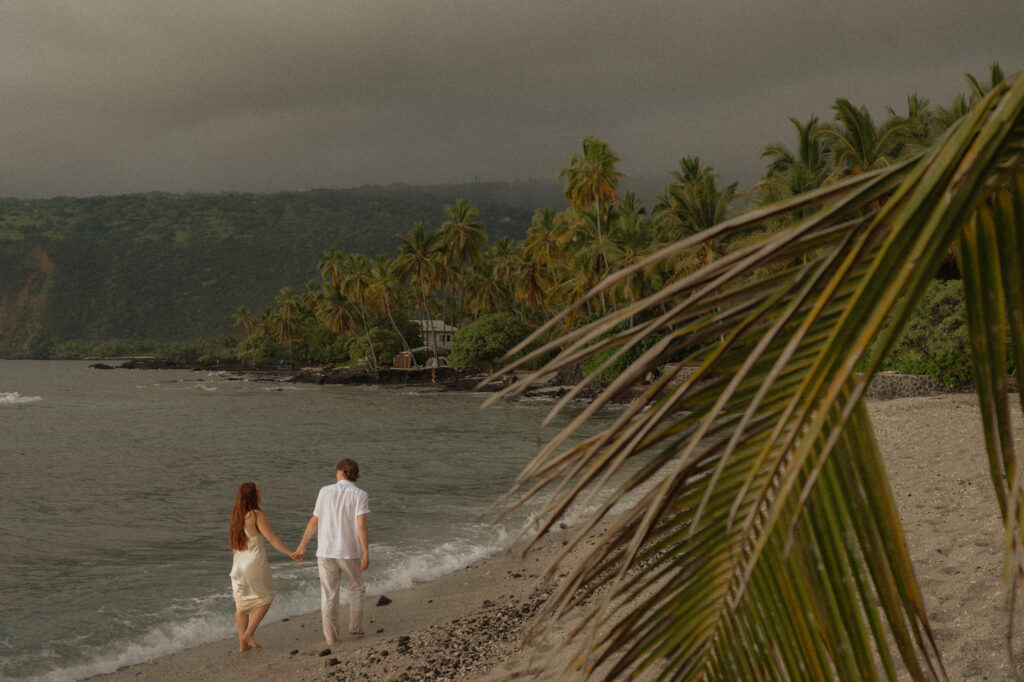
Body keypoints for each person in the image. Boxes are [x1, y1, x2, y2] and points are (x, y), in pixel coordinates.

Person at [293, 458, 370, 643]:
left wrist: (301, 546)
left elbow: (314, 521)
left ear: (341, 472)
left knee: (328, 594)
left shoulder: (324, 491)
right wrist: (366, 550)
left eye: (337, 471)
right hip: (349, 550)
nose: (336, 474)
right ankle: (356, 627)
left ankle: (331, 637)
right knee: (356, 588)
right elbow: (361, 525)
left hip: (326, 550)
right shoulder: (360, 494)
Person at [228, 482, 296, 652]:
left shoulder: (236, 516)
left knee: (242, 606)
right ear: (252, 495)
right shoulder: (256, 515)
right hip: (254, 563)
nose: (260, 493)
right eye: (258, 491)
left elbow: (233, 546)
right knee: (266, 597)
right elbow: (271, 538)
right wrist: (290, 553)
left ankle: (243, 645)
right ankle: (249, 633)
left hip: (238, 564)